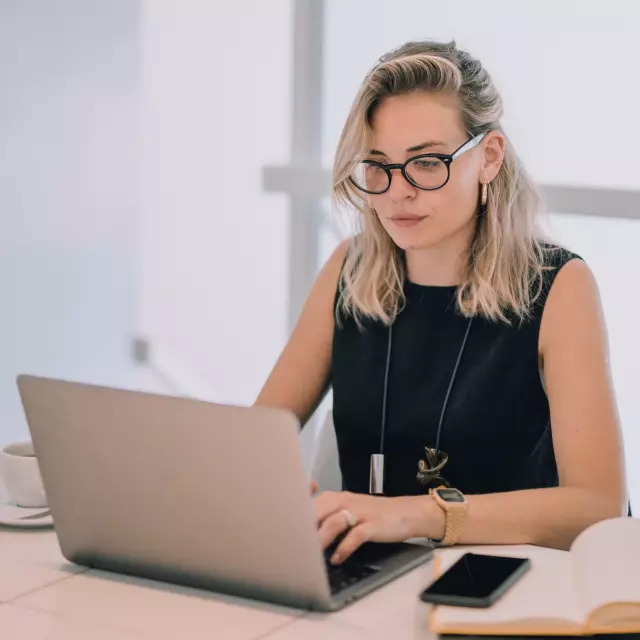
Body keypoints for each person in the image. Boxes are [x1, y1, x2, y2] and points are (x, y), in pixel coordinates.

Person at [255, 40, 627, 565]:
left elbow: (598, 508)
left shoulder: (560, 285)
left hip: (511, 585)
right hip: (369, 578)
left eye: (427, 163)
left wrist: (418, 514)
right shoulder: (349, 268)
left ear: (489, 158)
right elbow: (250, 445)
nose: (397, 193)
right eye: (378, 165)